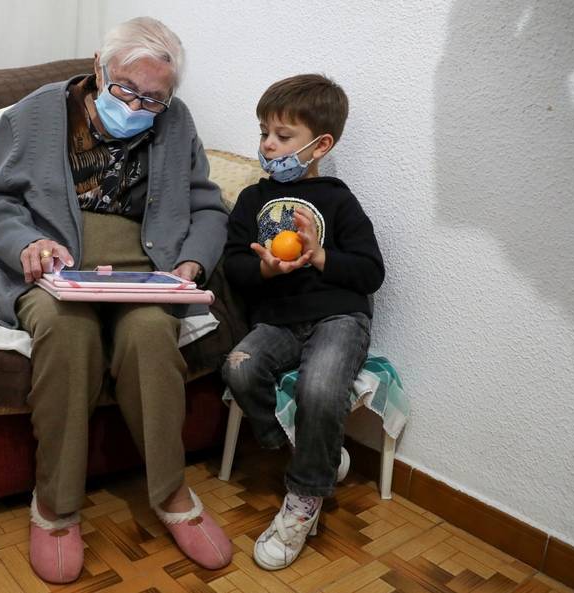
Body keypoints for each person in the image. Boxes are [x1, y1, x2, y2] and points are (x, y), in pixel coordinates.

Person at [0, 17, 232, 584]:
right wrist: (29, 244)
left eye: (154, 99)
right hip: (50, 268)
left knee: (150, 335)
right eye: (125, 89)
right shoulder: (34, 114)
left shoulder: (177, 123)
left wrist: (191, 262)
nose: (138, 105)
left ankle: (171, 493)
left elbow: (208, 206)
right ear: (98, 67)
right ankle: (56, 508)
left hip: (142, 268)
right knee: (68, 332)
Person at [221, 74, 385, 570]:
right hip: (278, 319)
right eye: (264, 132)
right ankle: (304, 451)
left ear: (320, 145)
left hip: (338, 317)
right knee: (239, 367)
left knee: (319, 389)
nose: (269, 144)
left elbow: (372, 271)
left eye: (283, 136)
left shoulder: (338, 199)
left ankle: (304, 499)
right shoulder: (253, 200)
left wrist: (320, 257)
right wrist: (265, 268)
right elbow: (234, 264)